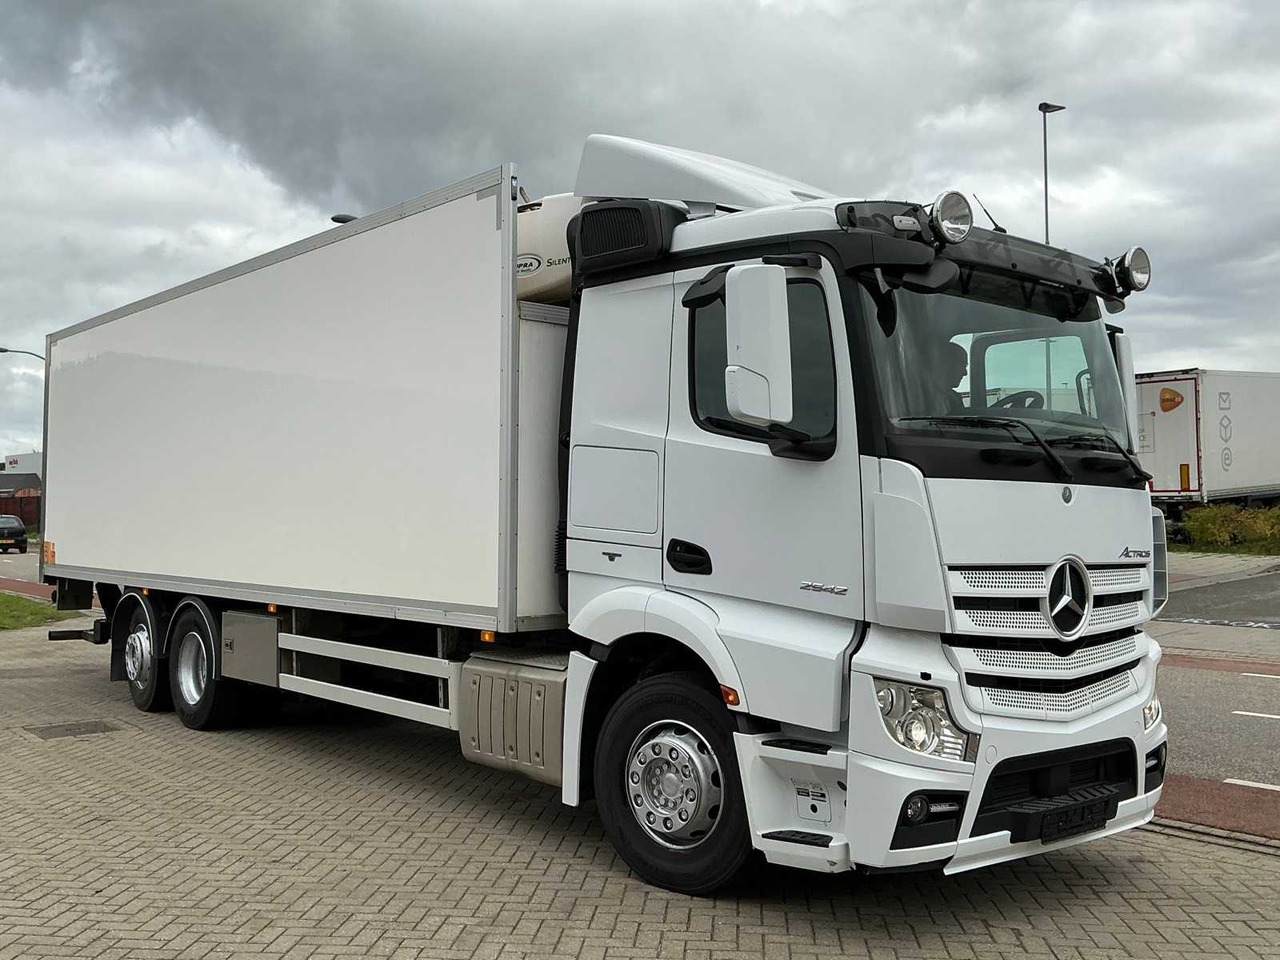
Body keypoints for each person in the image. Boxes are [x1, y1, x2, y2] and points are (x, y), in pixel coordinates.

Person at [940, 341, 968, 412]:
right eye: (962, 365)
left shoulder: (956, 398)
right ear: (946, 363)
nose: (965, 373)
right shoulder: (922, 398)